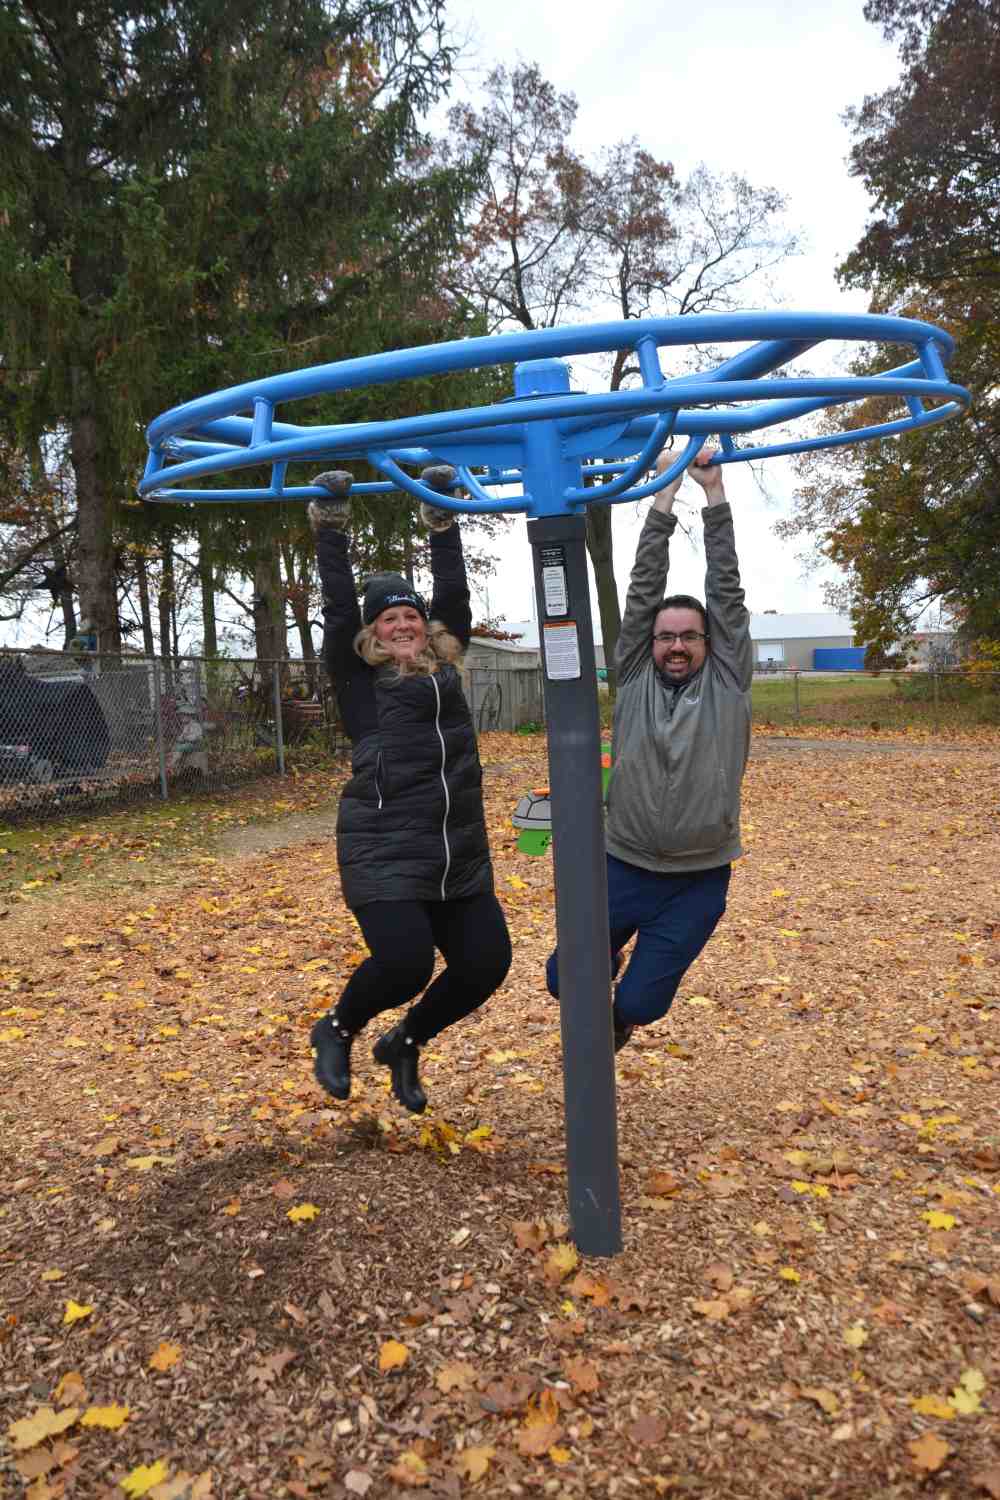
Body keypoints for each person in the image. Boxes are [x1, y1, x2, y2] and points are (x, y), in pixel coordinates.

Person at [308, 466, 512, 1113]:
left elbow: (453, 597)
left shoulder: (445, 670)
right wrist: (330, 528)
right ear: (373, 632)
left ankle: (406, 1041)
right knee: (405, 964)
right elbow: (339, 608)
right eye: (389, 618)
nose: (403, 625)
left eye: (411, 617)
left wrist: (442, 517)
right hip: (383, 852)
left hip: (455, 854)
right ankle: (337, 1028)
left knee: (486, 963)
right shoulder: (358, 682)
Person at [546, 445, 752, 1051]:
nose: (678, 645)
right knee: (566, 977)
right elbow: (642, 588)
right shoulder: (633, 675)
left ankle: (624, 1014)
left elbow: (727, 591)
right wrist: (664, 491)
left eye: (690, 635)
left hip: (698, 876)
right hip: (623, 864)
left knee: (639, 1002)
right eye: (667, 637)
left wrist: (713, 495)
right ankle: (607, 961)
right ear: (651, 643)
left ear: (710, 643)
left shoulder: (728, 679)